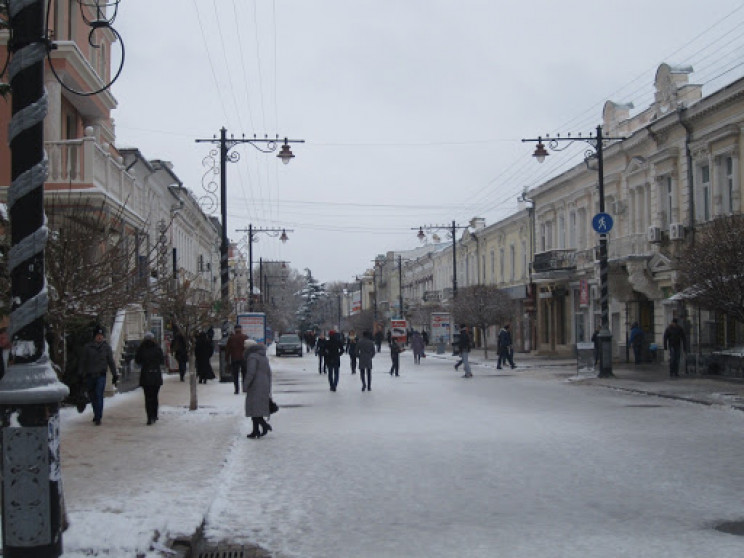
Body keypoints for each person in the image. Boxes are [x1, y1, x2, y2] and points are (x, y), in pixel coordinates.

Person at [78, 326, 118, 426]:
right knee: (92, 397)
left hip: (101, 375)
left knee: (99, 394)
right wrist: (81, 373)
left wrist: (114, 374)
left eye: (101, 336)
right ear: (94, 336)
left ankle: (98, 417)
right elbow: (83, 361)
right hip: (90, 375)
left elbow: (111, 362)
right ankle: (96, 413)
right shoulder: (87, 347)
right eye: (98, 336)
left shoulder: (106, 348)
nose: (100, 337)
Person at [243, 339, 273, 439]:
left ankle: (264, 426)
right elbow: (269, 372)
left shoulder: (252, 357)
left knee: (254, 408)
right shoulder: (263, 356)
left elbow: (251, 372)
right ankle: (256, 430)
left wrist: (246, 384)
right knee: (256, 409)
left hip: (255, 385)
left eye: (245, 346)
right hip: (263, 384)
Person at [135, 332, 164, 425]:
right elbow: (161, 360)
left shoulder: (141, 348)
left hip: (146, 375)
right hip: (155, 375)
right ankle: (154, 415)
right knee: (154, 396)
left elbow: (137, 360)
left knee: (148, 398)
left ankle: (149, 416)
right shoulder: (157, 348)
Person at [225, 325, 248, 394]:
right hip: (243, 358)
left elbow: (228, 349)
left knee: (235, 375)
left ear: (235, 330)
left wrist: (227, 359)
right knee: (244, 374)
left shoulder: (231, 338)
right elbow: (248, 348)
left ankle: (236, 389)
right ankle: (244, 388)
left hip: (234, 358)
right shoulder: (245, 337)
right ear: (241, 329)